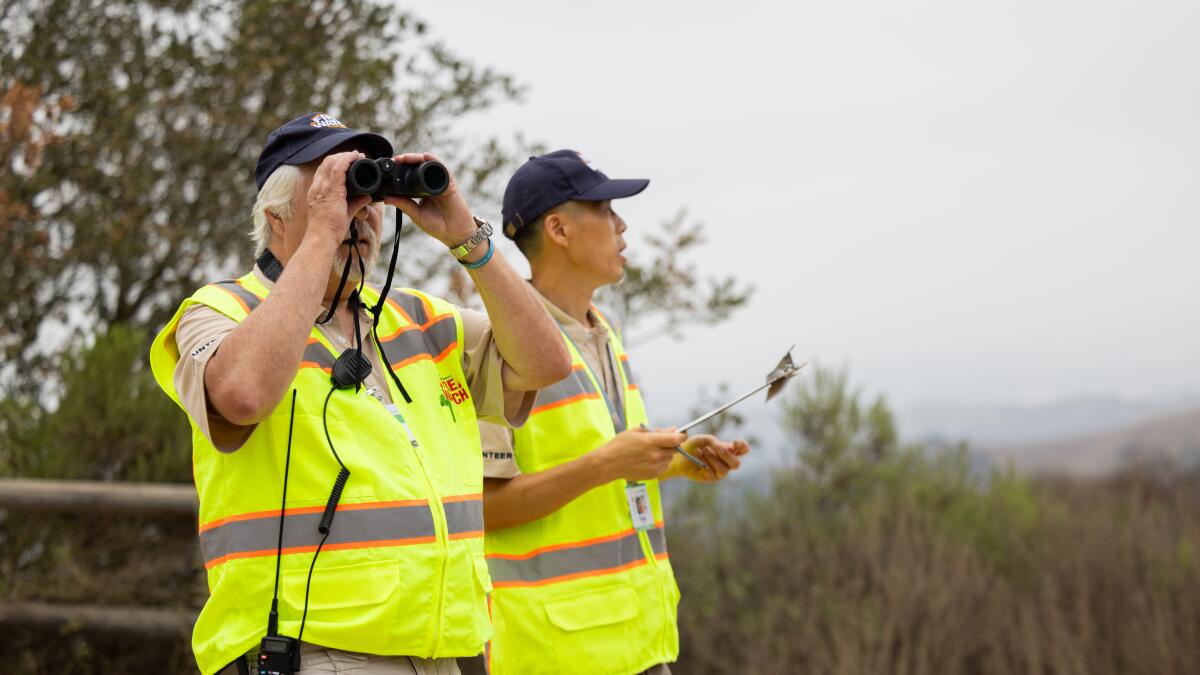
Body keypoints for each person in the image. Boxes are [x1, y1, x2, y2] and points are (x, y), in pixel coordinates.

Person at [148, 113, 571, 675]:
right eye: (336, 189)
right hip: (310, 649)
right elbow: (242, 395)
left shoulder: (418, 318)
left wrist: (467, 238)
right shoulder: (222, 311)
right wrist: (322, 234)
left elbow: (548, 362)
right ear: (276, 215)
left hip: (442, 650)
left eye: (366, 192)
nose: (360, 211)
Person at [479, 150, 751, 675]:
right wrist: (607, 464)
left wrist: (678, 459)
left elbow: (600, 460)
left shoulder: (605, 329)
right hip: (554, 654)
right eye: (605, 209)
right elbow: (483, 508)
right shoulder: (498, 344)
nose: (622, 225)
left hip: (641, 643)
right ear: (558, 229)